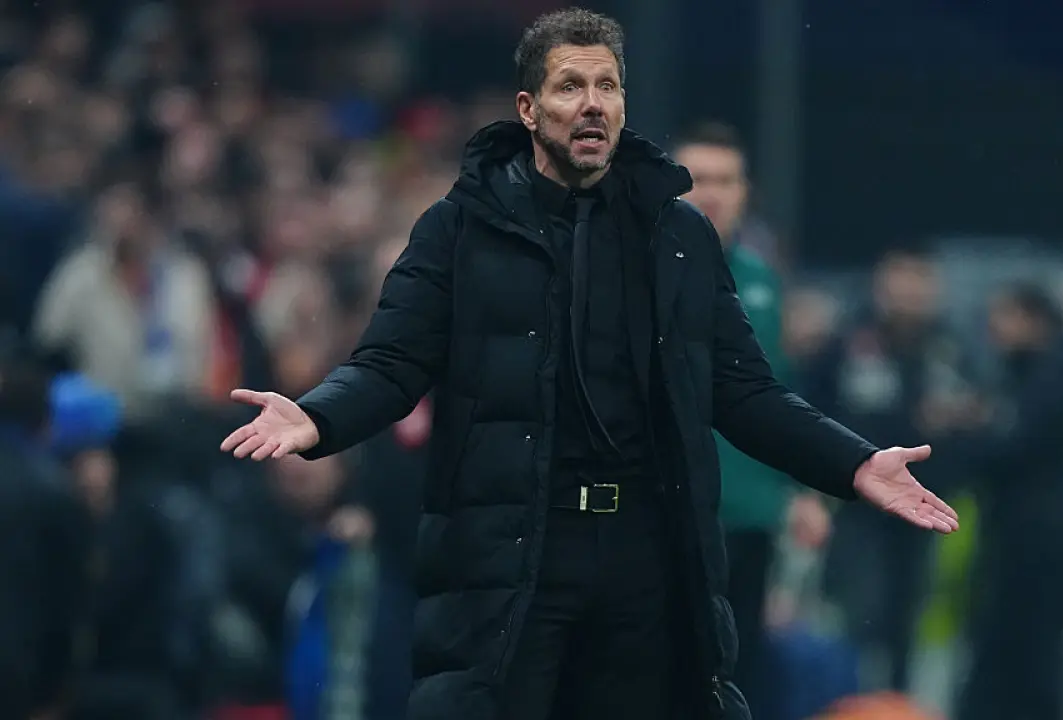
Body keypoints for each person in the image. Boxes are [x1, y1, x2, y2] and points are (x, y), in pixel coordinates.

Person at [219, 9, 958, 720]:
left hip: (646, 556)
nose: (593, 103)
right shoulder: (456, 230)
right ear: (529, 109)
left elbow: (743, 390)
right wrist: (317, 416)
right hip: (515, 555)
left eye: (607, 85)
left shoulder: (677, 235)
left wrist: (853, 464)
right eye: (570, 86)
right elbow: (390, 363)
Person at [673, 120, 829, 717]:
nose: (712, 193)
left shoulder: (763, 281)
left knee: (744, 666)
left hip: (751, 511)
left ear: (745, 192)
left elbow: (777, 391)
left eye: (726, 180)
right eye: (697, 179)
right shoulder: (633, 269)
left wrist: (802, 488)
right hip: (669, 508)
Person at [805, 246, 974, 693]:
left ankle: (897, 702)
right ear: (881, 284)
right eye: (900, 279)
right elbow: (810, 407)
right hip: (859, 503)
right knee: (862, 611)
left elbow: (972, 414)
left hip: (924, 505)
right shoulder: (849, 342)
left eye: (919, 281)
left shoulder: (949, 348)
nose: (908, 292)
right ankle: (851, 703)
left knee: (908, 616)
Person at [956, 283, 1063, 720]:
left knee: (1033, 651)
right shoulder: (1014, 376)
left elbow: (1011, 446)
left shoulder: (1052, 378)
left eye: (1006, 316)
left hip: (1039, 540)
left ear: (1035, 321)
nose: (994, 327)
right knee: (1005, 648)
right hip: (1011, 534)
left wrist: (967, 431)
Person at [0, 352, 94, 720]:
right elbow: (66, 603)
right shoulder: (55, 493)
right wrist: (55, 692)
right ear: (46, 422)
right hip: (18, 673)